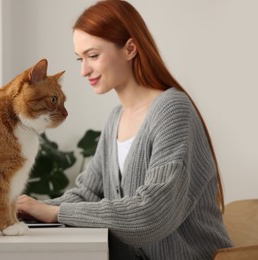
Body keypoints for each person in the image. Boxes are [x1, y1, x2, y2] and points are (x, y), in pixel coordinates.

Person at [16, 0, 233, 259]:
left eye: (93, 56)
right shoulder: (116, 119)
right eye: (79, 58)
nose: (84, 70)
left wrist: (55, 213)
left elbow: (152, 213)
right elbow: (89, 193)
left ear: (130, 48)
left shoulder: (173, 110)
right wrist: (27, 208)